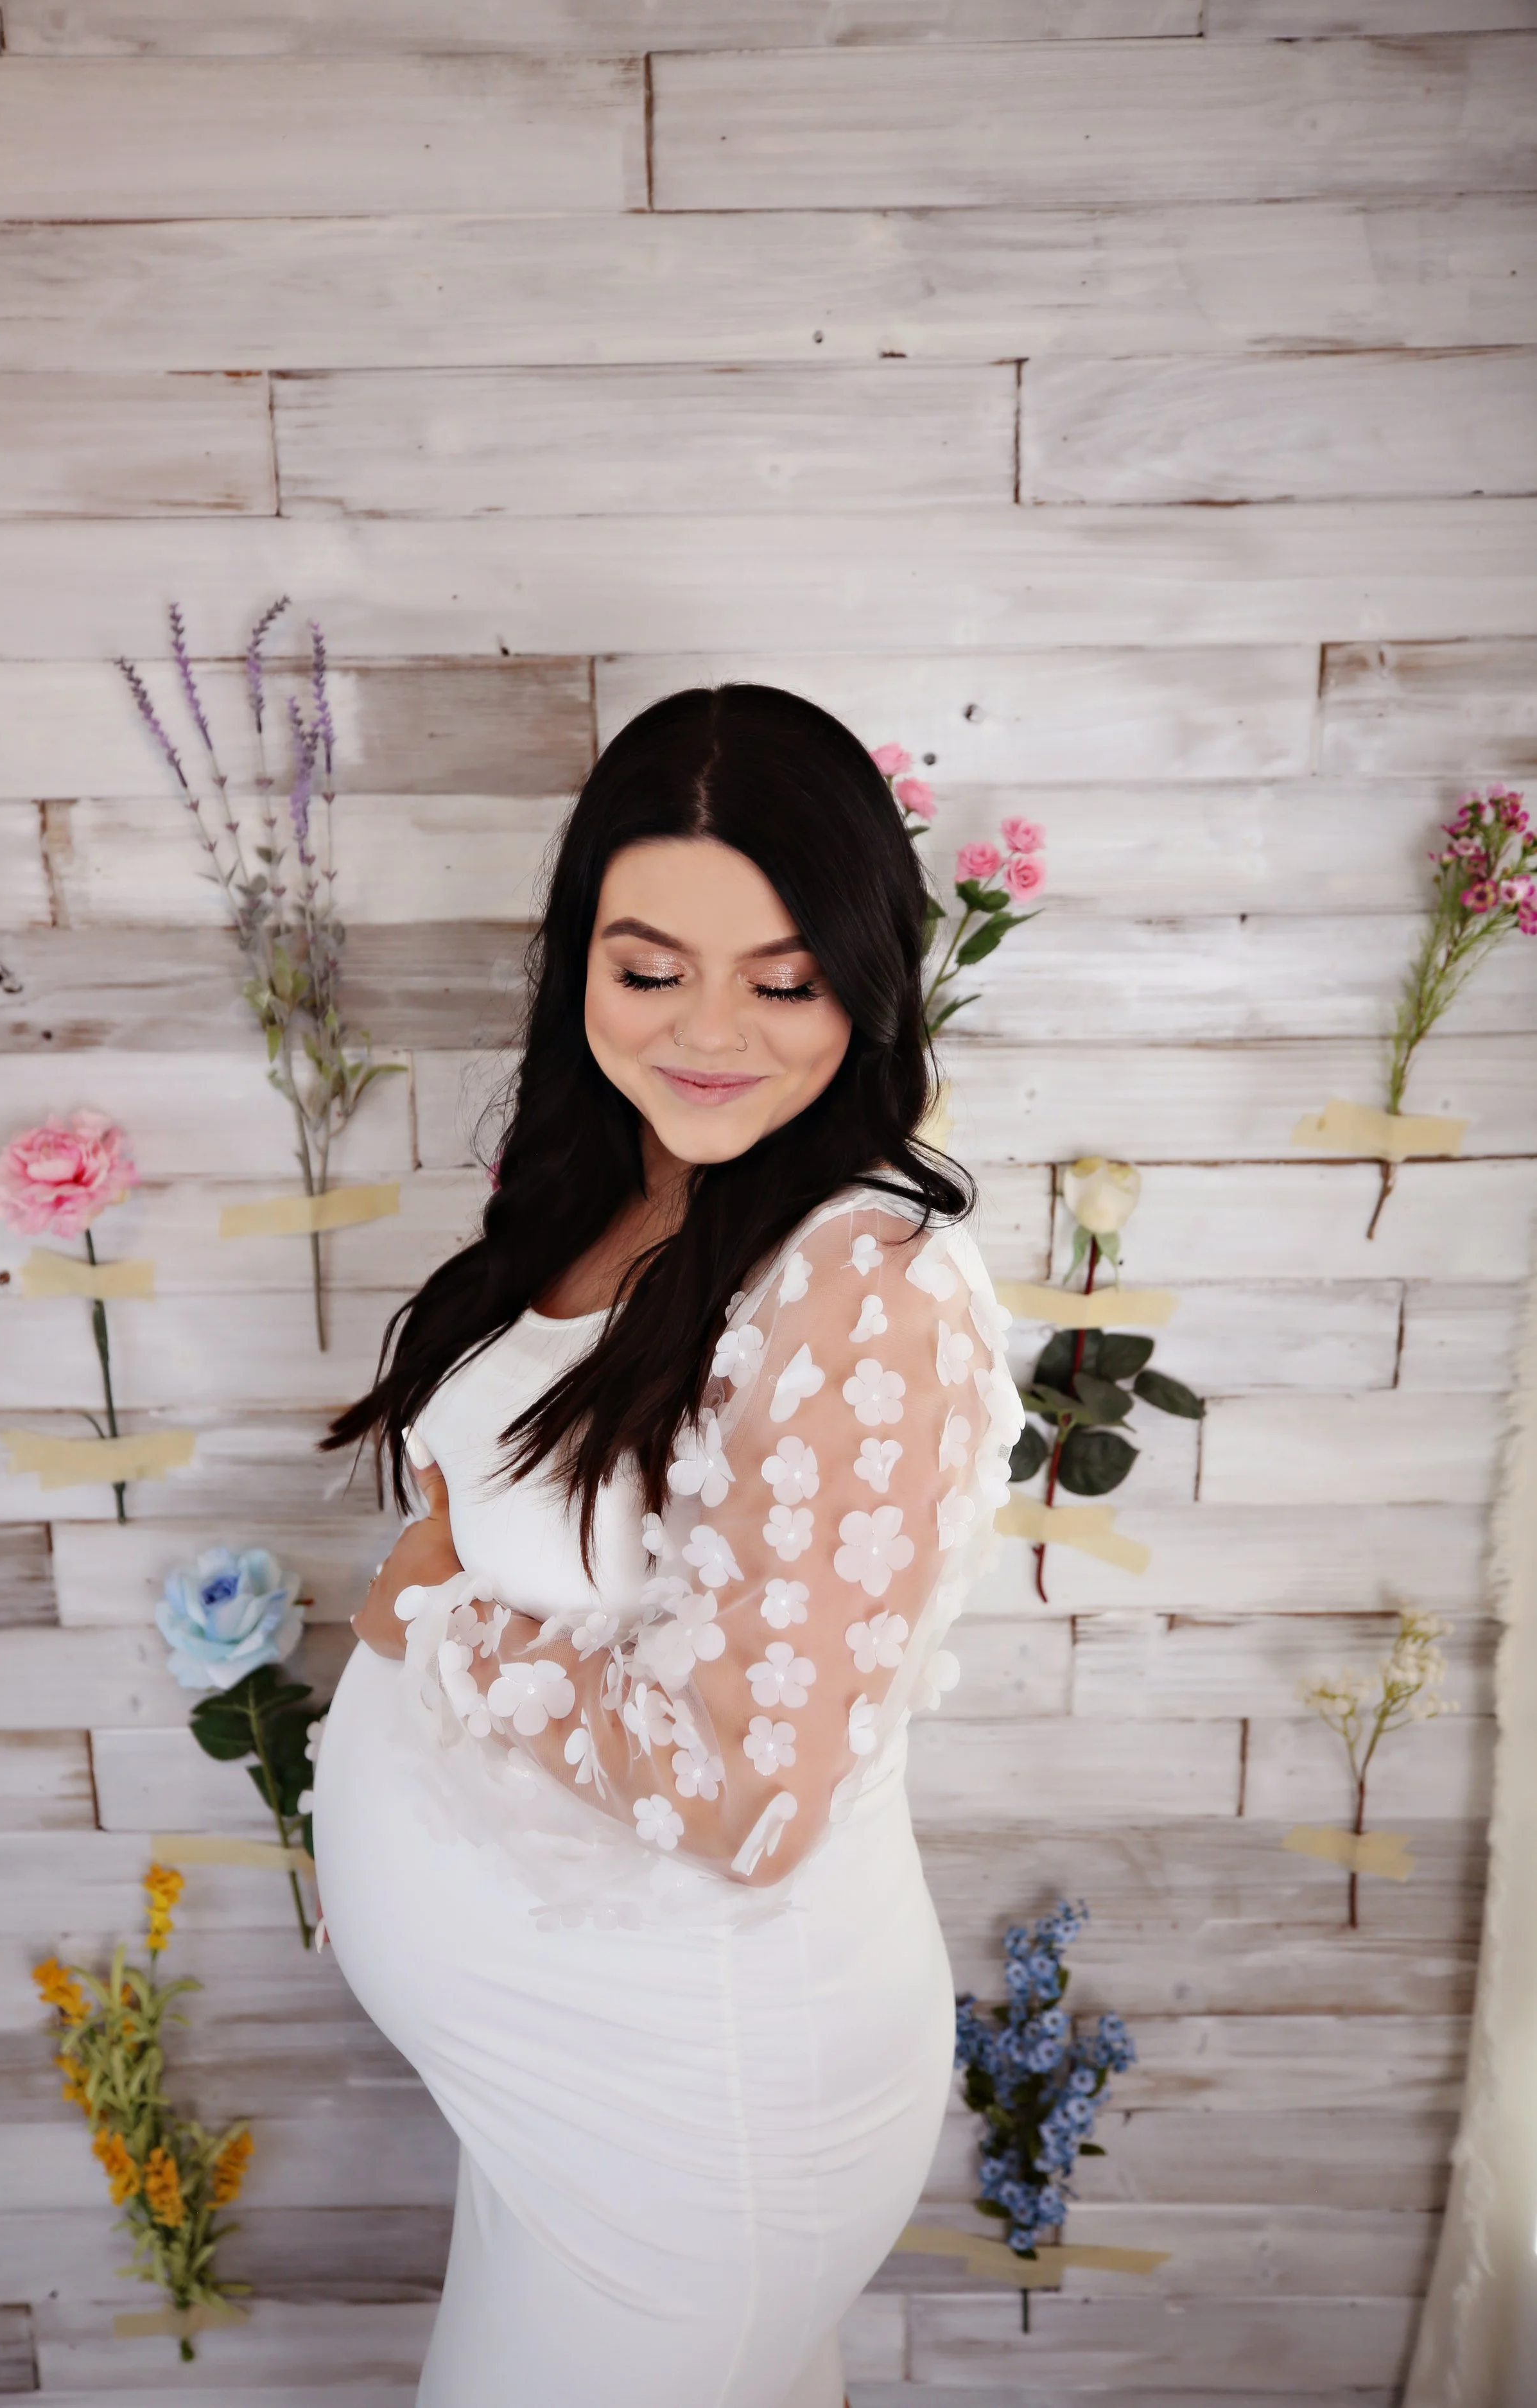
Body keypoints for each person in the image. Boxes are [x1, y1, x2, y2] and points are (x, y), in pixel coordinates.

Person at [313, 683, 1022, 2408]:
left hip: (692, 2103)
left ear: (866, 975)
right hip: (566, 2074)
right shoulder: (623, 1175)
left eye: (782, 980)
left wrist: (437, 1618)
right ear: (580, 964)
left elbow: (742, 1786)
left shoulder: (856, 1290)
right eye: (650, 969)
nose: (711, 1031)